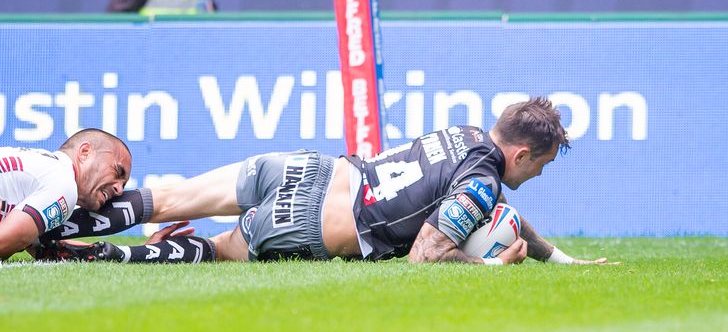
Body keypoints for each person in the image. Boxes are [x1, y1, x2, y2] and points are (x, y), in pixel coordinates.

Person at [42, 97, 615, 266]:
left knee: (167, 198)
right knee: (213, 250)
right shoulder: (483, 184)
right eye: (540, 164)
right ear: (521, 153)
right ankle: (84, 255)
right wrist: (489, 266)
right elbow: (425, 254)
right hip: (311, 222)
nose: (537, 174)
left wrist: (558, 258)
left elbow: (493, 206)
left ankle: (47, 215)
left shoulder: (467, 135)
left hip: (307, 168)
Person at [0, 129, 132, 260]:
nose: (119, 190)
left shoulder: (44, 165)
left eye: (123, 184)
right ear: (85, 152)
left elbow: (28, 241)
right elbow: (5, 241)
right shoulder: (64, 183)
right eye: (118, 171)